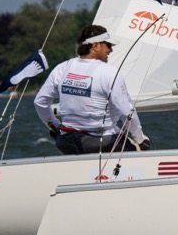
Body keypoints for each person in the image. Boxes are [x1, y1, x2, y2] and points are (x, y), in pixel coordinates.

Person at [34, 25, 150, 155]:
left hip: (66, 142)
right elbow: (126, 110)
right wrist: (140, 139)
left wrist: (54, 126)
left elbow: (40, 102)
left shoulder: (62, 68)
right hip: (102, 143)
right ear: (95, 46)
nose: (111, 50)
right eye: (108, 45)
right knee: (139, 150)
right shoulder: (109, 72)